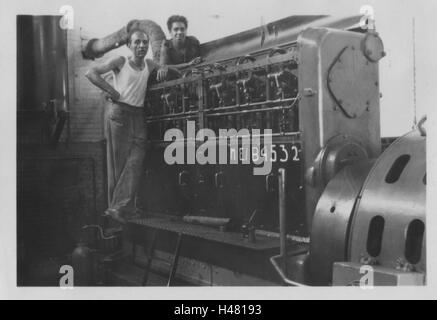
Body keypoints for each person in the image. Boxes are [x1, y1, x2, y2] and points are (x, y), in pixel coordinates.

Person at [85, 29, 174, 223]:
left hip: (138, 114)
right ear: (129, 45)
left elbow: (167, 68)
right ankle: (117, 209)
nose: (141, 46)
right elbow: (90, 72)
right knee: (121, 164)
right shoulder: (120, 61)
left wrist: (169, 68)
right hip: (120, 113)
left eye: (145, 42)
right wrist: (111, 90)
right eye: (137, 42)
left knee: (136, 161)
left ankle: (121, 207)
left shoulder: (149, 64)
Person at [157, 15, 203, 82]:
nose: (179, 32)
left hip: (194, 78)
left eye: (182, 29)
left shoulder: (193, 42)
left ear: (186, 30)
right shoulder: (166, 45)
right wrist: (188, 64)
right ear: (170, 32)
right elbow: (163, 67)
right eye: (176, 29)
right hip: (174, 81)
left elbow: (200, 60)